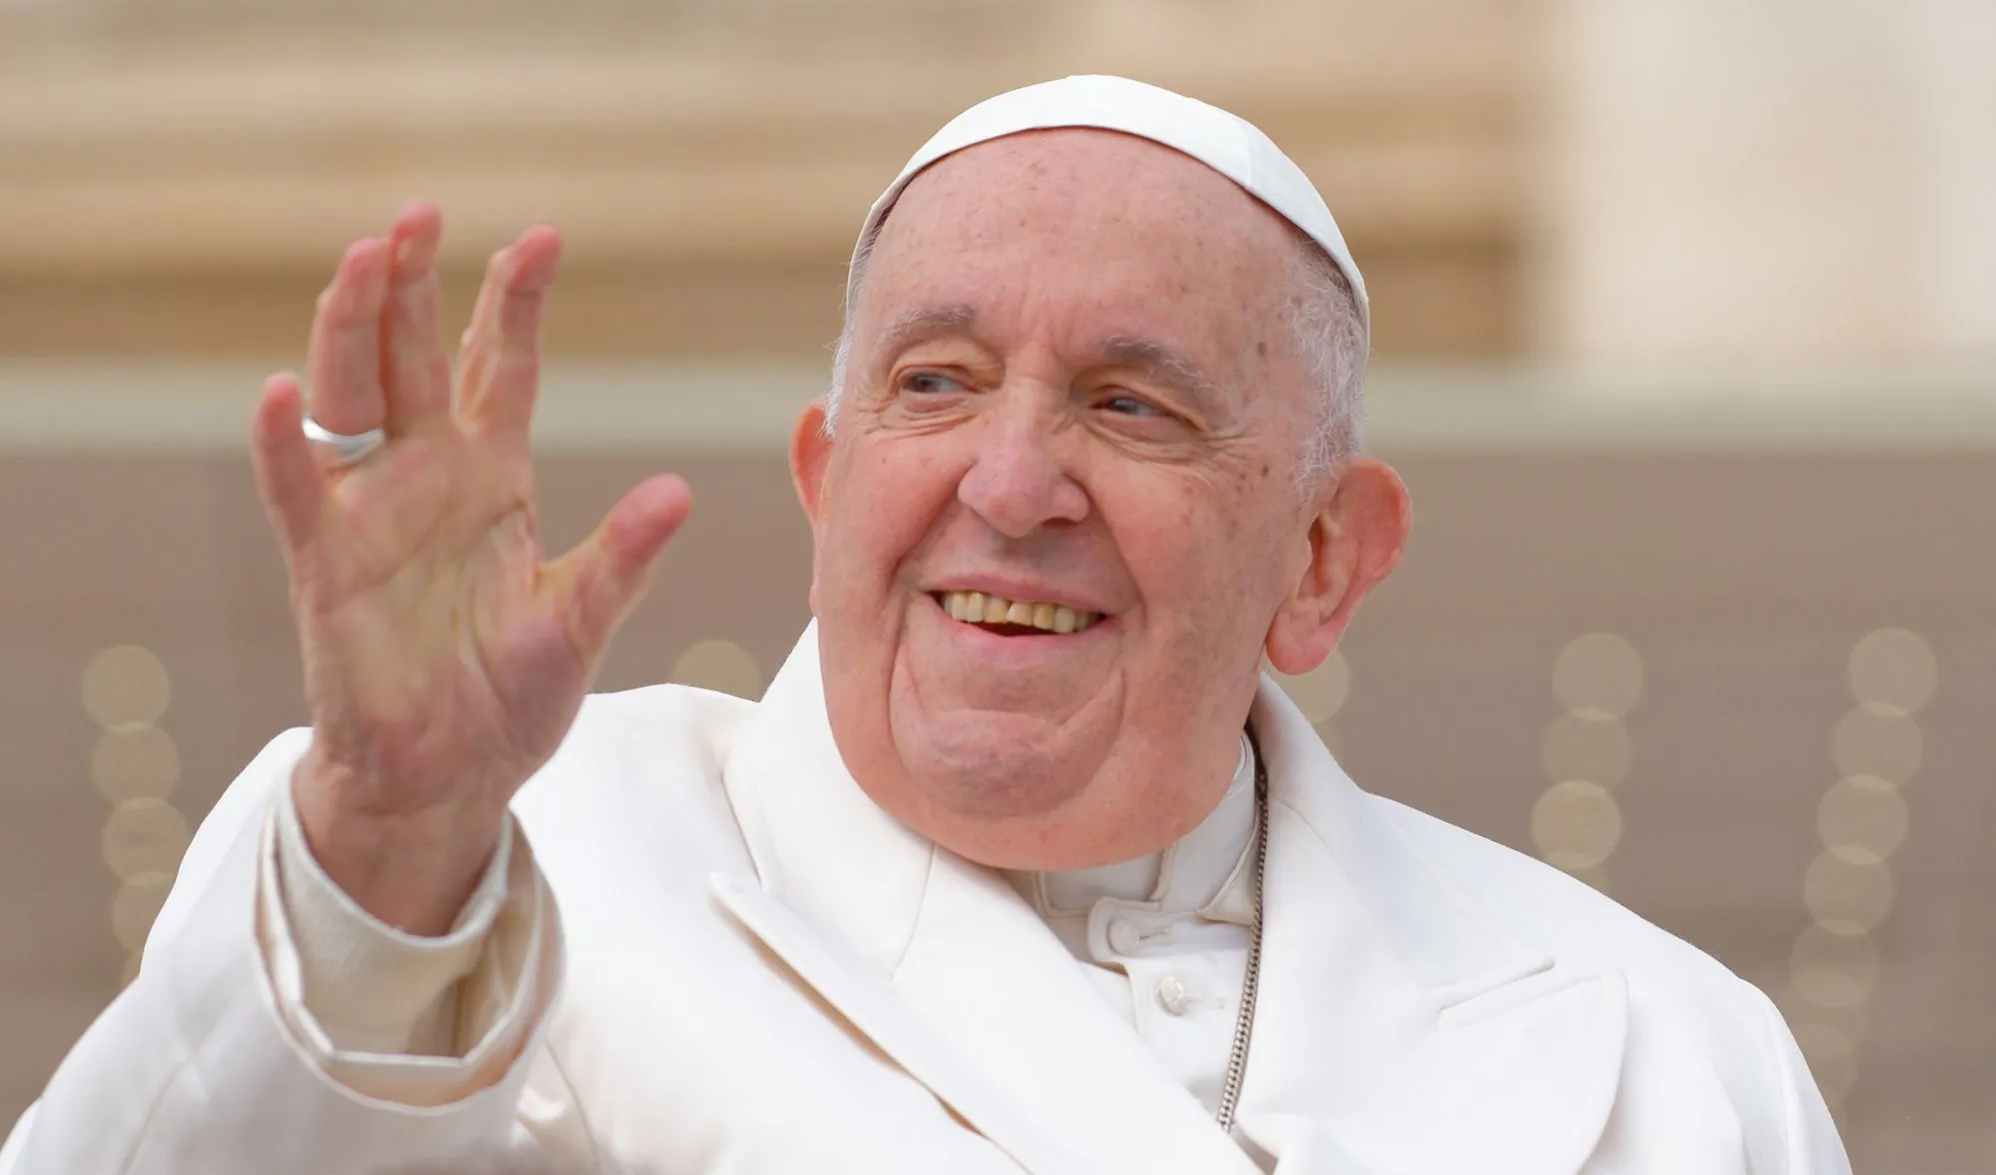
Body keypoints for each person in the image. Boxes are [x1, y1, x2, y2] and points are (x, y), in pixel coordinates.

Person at [0, 75, 1848, 1175]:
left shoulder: (1675, 1049)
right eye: (938, 384)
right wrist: (392, 839)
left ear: (1323, 559)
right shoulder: (483, 878)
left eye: (1135, 405)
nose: (1015, 480)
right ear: (828, 474)